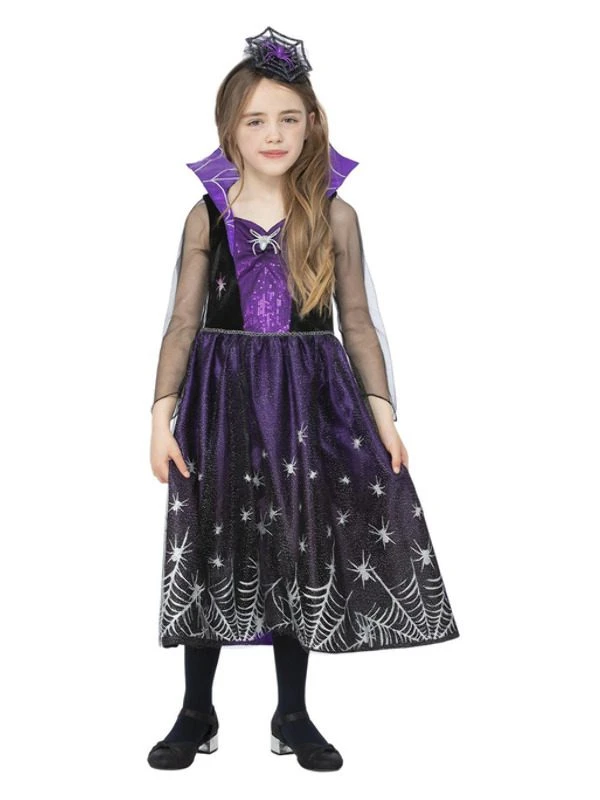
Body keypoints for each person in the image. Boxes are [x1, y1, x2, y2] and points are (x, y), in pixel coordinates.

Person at [147, 27, 460, 773]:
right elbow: (183, 320)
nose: (274, 134)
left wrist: (383, 414)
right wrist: (160, 415)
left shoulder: (334, 214)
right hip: (219, 401)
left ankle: (292, 713)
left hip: (307, 403)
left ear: (312, 122)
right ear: (230, 130)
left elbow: (357, 320)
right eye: (255, 120)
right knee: (215, 538)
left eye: (289, 118)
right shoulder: (207, 214)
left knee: (296, 540)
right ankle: (196, 709)